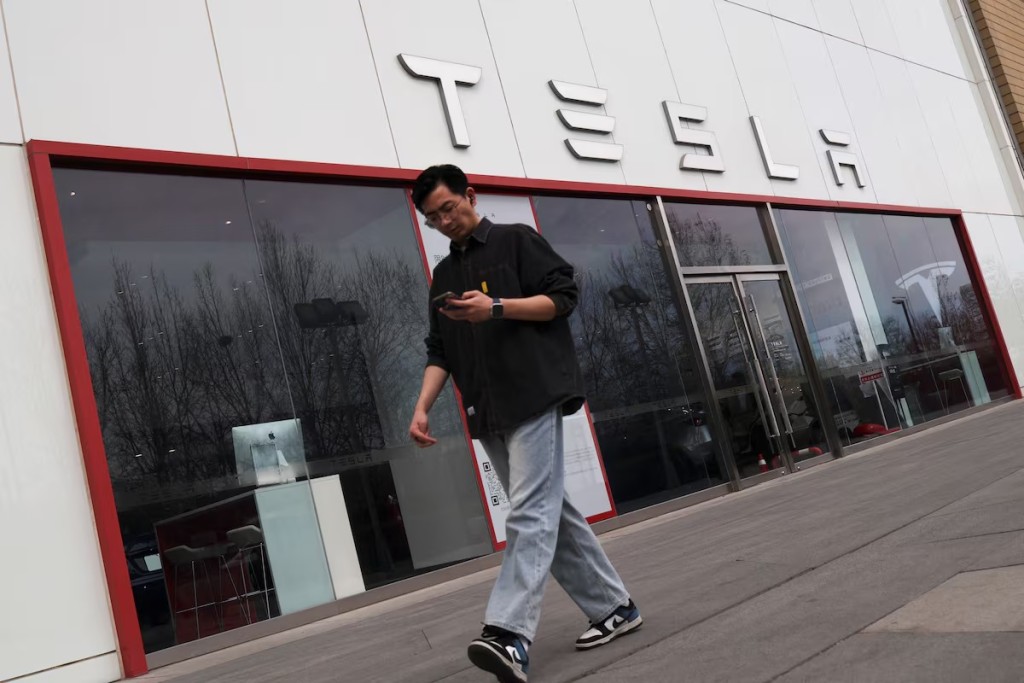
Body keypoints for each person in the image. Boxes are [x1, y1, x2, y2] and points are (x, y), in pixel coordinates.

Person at [408, 164, 641, 683]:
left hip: (534, 395)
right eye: (432, 217)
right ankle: (615, 607)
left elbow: (563, 299)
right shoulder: (443, 278)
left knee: (530, 513)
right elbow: (439, 350)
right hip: (486, 409)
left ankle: (509, 635)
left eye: (449, 207)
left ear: (471, 195)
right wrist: (422, 406)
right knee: (548, 511)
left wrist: (496, 308)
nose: (445, 220)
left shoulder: (517, 241)